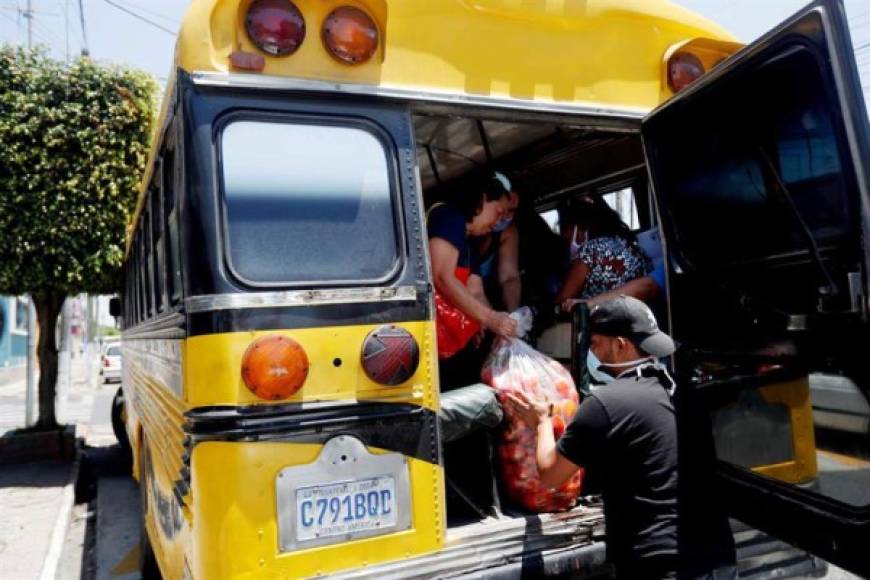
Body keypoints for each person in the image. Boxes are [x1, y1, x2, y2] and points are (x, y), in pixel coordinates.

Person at [505, 296, 680, 579]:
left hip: (654, 562)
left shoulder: (607, 404)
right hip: (713, 554)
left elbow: (551, 475)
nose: (593, 353)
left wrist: (542, 422)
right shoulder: (683, 392)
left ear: (620, 345)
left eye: (596, 344)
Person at [428, 183, 518, 390]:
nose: (498, 222)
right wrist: (489, 318)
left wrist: (485, 321)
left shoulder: (469, 245)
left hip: (456, 345)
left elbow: (476, 291)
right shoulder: (449, 217)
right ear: (482, 199)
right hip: (434, 341)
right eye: (498, 212)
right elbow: (441, 276)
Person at [555, 198, 650, 310]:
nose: (567, 245)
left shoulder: (590, 251)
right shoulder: (627, 243)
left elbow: (564, 299)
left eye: (567, 240)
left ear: (580, 229)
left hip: (605, 320)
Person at [476, 172, 522, 312]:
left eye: (512, 211)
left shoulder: (508, 231)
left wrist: (512, 316)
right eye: (502, 210)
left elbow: (509, 277)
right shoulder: (459, 228)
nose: (507, 216)